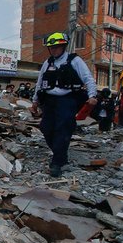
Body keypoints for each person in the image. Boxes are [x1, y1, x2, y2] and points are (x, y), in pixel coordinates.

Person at [31, 32, 97, 177]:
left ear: (63, 46)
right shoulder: (48, 63)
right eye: (51, 48)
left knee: (63, 130)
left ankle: (57, 163)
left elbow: (88, 78)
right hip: (49, 100)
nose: (53, 50)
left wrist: (92, 95)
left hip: (67, 100)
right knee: (46, 128)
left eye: (56, 47)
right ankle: (60, 153)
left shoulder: (74, 60)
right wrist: (35, 101)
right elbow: (40, 82)